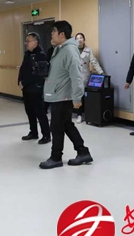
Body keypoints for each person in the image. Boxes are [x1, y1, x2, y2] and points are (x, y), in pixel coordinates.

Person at [40, 21, 92, 169]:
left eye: (53, 31)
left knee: (56, 127)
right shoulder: (60, 49)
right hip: (58, 94)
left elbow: (76, 76)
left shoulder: (69, 50)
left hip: (63, 96)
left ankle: (56, 157)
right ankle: (82, 151)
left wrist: (77, 97)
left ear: (62, 34)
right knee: (66, 125)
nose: (51, 34)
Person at [18, 32, 50, 144]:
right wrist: (19, 81)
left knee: (40, 112)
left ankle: (46, 135)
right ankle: (33, 132)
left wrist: (24, 82)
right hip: (26, 88)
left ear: (35, 42)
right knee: (29, 111)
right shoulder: (27, 54)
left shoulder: (41, 55)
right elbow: (22, 69)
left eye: (28, 41)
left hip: (35, 88)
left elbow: (39, 74)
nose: (26, 43)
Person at [74, 33, 104, 124]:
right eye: (77, 38)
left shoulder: (88, 50)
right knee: (78, 96)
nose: (79, 40)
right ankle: (79, 115)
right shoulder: (72, 50)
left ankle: (87, 114)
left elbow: (94, 62)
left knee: (85, 96)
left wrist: (101, 73)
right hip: (75, 75)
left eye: (81, 38)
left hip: (85, 75)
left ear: (84, 40)